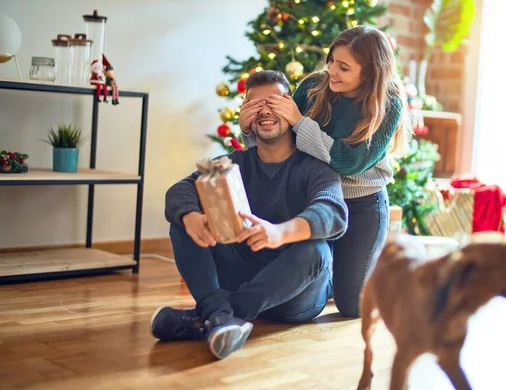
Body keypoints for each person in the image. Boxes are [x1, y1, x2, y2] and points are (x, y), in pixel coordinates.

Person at [152, 70, 348, 360]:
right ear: (244, 114)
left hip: (295, 294)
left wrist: (279, 232)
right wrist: (192, 217)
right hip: (242, 270)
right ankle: (219, 317)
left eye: (274, 102)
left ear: (291, 109)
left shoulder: (315, 167)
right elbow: (180, 190)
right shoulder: (234, 162)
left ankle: (213, 315)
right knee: (183, 220)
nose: (264, 111)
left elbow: (333, 213)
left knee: (317, 250)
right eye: (254, 105)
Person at [239, 26, 411, 318]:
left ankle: (380, 279)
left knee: (351, 306)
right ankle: (338, 272)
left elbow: (349, 162)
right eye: (331, 60)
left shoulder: (388, 104)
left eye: (343, 67)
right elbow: (282, 140)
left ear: (369, 73)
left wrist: (298, 119)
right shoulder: (313, 87)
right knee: (308, 267)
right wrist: (248, 130)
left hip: (361, 203)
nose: (331, 70)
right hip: (315, 196)